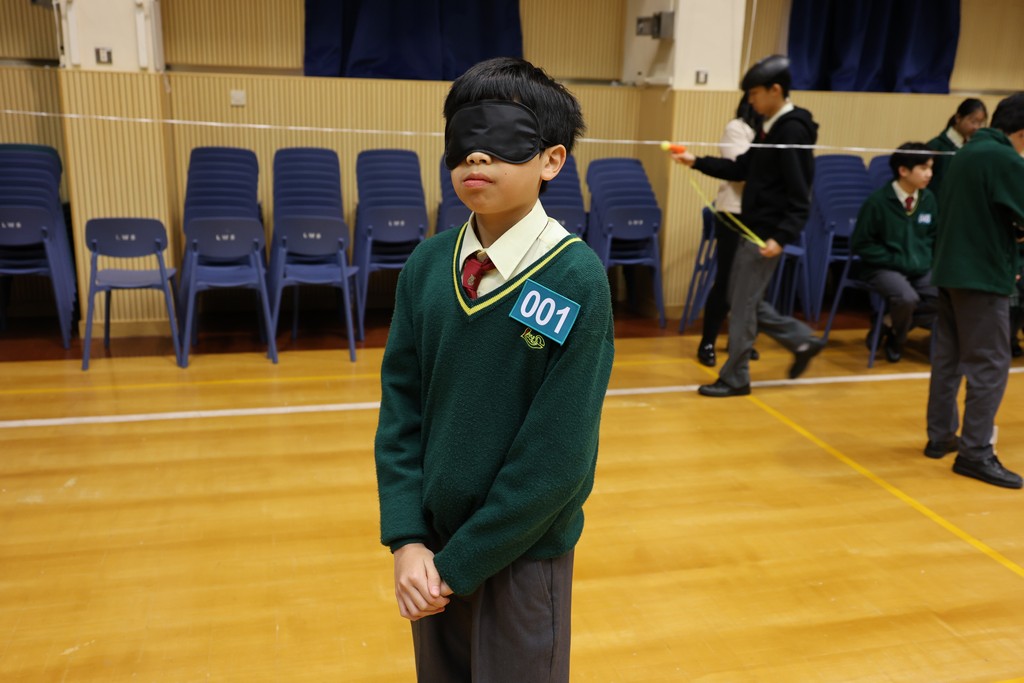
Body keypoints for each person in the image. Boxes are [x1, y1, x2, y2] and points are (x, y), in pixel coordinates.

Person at [374, 57, 615, 681]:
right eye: (463, 139)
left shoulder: (575, 278)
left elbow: (558, 457)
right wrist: (407, 540)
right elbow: (400, 410)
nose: (476, 157)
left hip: (522, 557)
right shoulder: (427, 267)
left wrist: (461, 565)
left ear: (551, 160)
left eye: (503, 138)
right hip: (430, 555)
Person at [674, 54, 824, 397]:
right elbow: (741, 168)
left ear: (775, 90)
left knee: (741, 304)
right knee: (742, 299)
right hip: (751, 227)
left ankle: (736, 378)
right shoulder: (770, 128)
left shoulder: (792, 130)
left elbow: (801, 191)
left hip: (765, 234)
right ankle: (802, 341)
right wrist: (694, 161)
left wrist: (781, 236)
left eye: (755, 94)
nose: (751, 101)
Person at [924, 92, 1024, 489]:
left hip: (950, 269)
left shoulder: (968, 150)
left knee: (948, 359)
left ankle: (940, 436)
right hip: (980, 274)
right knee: (990, 364)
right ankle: (976, 452)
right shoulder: (1003, 158)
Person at [850, 142, 939, 363]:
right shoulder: (877, 202)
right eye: (923, 168)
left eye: (931, 168)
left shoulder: (928, 199)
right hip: (883, 268)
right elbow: (861, 243)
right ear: (903, 171)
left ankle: (887, 322)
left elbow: (934, 236)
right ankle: (897, 340)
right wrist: (893, 258)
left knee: (947, 296)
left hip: (919, 268)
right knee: (906, 298)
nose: (929, 174)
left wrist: (927, 260)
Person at [697, 96, 763, 367]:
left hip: (760, 213)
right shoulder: (737, 128)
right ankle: (708, 341)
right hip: (733, 212)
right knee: (727, 280)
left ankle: (741, 341)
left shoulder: (773, 131)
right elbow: (742, 170)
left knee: (753, 282)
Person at [926, 98, 988, 198]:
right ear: (958, 118)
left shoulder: (977, 148)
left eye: (981, 123)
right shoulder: (936, 146)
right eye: (973, 121)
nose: (976, 127)